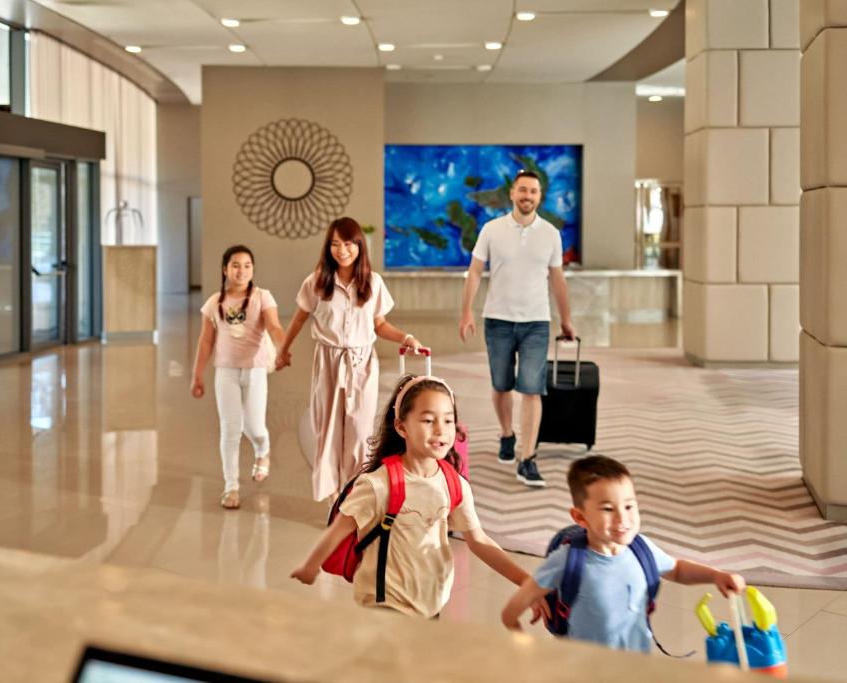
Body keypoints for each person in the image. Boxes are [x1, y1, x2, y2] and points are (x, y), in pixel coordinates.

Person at [291, 374, 548, 620]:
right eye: (428, 420)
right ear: (401, 426)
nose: (440, 430)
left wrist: (526, 582)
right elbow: (339, 528)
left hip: (429, 603)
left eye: (448, 420)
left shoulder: (453, 483)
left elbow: (478, 540)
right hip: (384, 603)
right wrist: (311, 567)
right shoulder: (378, 484)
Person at [500, 455, 745, 652]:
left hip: (635, 665)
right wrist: (523, 645)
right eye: (608, 508)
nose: (622, 518)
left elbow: (677, 569)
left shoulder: (642, 549)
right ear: (580, 517)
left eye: (629, 505)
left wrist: (716, 576)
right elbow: (510, 613)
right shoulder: (567, 561)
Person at [276, 217, 422, 502]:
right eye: (335, 244)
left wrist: (406, 337)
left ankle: (355, 494)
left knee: (359, 429)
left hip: (362, 362)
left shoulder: (373, 282)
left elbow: (379, 325)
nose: (341, 250)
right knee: (327, 429)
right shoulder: (317, 281)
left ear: (359, 246)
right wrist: (283, 349)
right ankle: (333, 498)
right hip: (328, 362)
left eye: (348, 244)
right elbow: (298, 319)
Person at [459, 170, 576, 488]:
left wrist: (565, 319)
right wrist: (467, 311)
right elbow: (474, 273)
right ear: (512, 194)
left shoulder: (551, 233)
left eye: (534, 191)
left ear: (540, 196)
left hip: (537, 322)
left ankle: (527, 458)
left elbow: (558, 279)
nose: (528, 195)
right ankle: (507, 434)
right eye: (523, 190)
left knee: (531, 389)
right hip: (497, 319)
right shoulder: (491, 230)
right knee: (501, 385)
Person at [191, 245, 285, 509]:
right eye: (235, 265)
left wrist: (283, 347)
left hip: (254, 370)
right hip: (226, 372)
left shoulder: (262, 297)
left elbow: (274, 326)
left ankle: (262, 451)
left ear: (252, 269)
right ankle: (231, 486)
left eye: (246, 265)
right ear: (225, 269)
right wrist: (197, 375)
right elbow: (205, 342)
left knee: (254, 427)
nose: (241, 270)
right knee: (230, 430)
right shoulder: (214, 302)